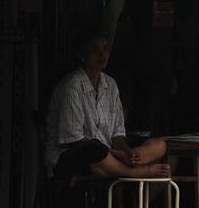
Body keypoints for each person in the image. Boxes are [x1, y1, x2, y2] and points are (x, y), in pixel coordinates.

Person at [45, 30, 171, 182]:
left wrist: (128, 153)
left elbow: (117, 135)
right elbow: (74, 140)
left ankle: (127, 167)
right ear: (81, 55)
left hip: (108, 156)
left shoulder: (110, 84)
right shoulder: (72, 86)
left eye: (105, 49)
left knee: (160, 145)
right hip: (76, 155)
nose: (102, 55)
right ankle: (134, 173)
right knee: (93, 149)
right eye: (95, 50)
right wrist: (115, 153)